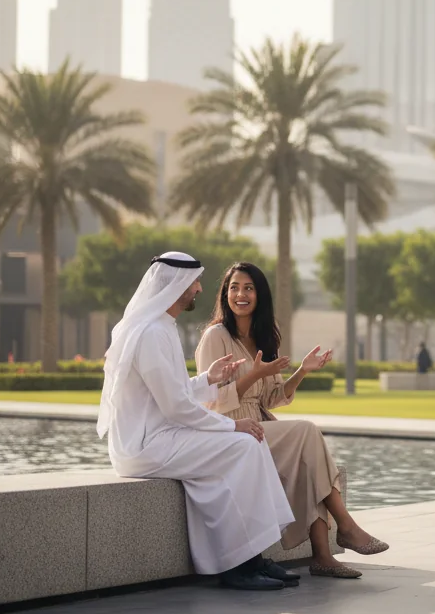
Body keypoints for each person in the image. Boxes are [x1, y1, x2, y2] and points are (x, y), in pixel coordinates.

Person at [98, 252, 297, 591]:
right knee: (245, 445)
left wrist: (207, 378)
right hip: (145, 446)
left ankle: (253, 558)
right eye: (193, 284)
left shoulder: (160, 327)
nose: (200, 289)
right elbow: (175, 407)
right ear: (176, 286)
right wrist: (232, 425)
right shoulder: (150, 333)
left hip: (162, 435)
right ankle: (240, 567)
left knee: (252, 443)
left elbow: (174, 392)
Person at [195, 261, 389, 579]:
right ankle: (347, 527)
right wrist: (254, 374)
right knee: (307, 432)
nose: (240, 294)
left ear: (260, 295)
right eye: (234, 288)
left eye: (248, 288)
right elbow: (211, 401)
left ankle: (324, 557)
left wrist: (302, 371)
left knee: (307, 458)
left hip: (260, 425)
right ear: (224, 295)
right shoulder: (215, 337)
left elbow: (272, 398)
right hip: (229, 429)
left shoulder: (263, 337)